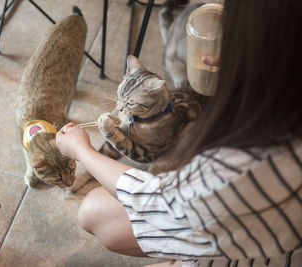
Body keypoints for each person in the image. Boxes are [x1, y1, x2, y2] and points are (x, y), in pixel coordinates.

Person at [56, 0, 302, 266]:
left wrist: (83, 151)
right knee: (96, 211)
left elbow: (154, 200)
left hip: (257, 252)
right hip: (264, 231)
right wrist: (247, 75)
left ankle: (186, 256)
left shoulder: (244, 164)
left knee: (92, 211)